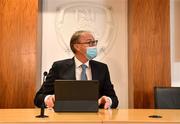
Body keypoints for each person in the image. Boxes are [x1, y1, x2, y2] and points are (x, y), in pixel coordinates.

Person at [34, 30, 119, 109]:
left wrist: (107, 100)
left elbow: (114, 99)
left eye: (95, 42)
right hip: (66, 118)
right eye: (90, 42)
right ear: (77, 46)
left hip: (95, 117)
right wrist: (50, 98)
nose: (94, 46)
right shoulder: (59, 67)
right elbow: (38, 98)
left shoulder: (102, 68)